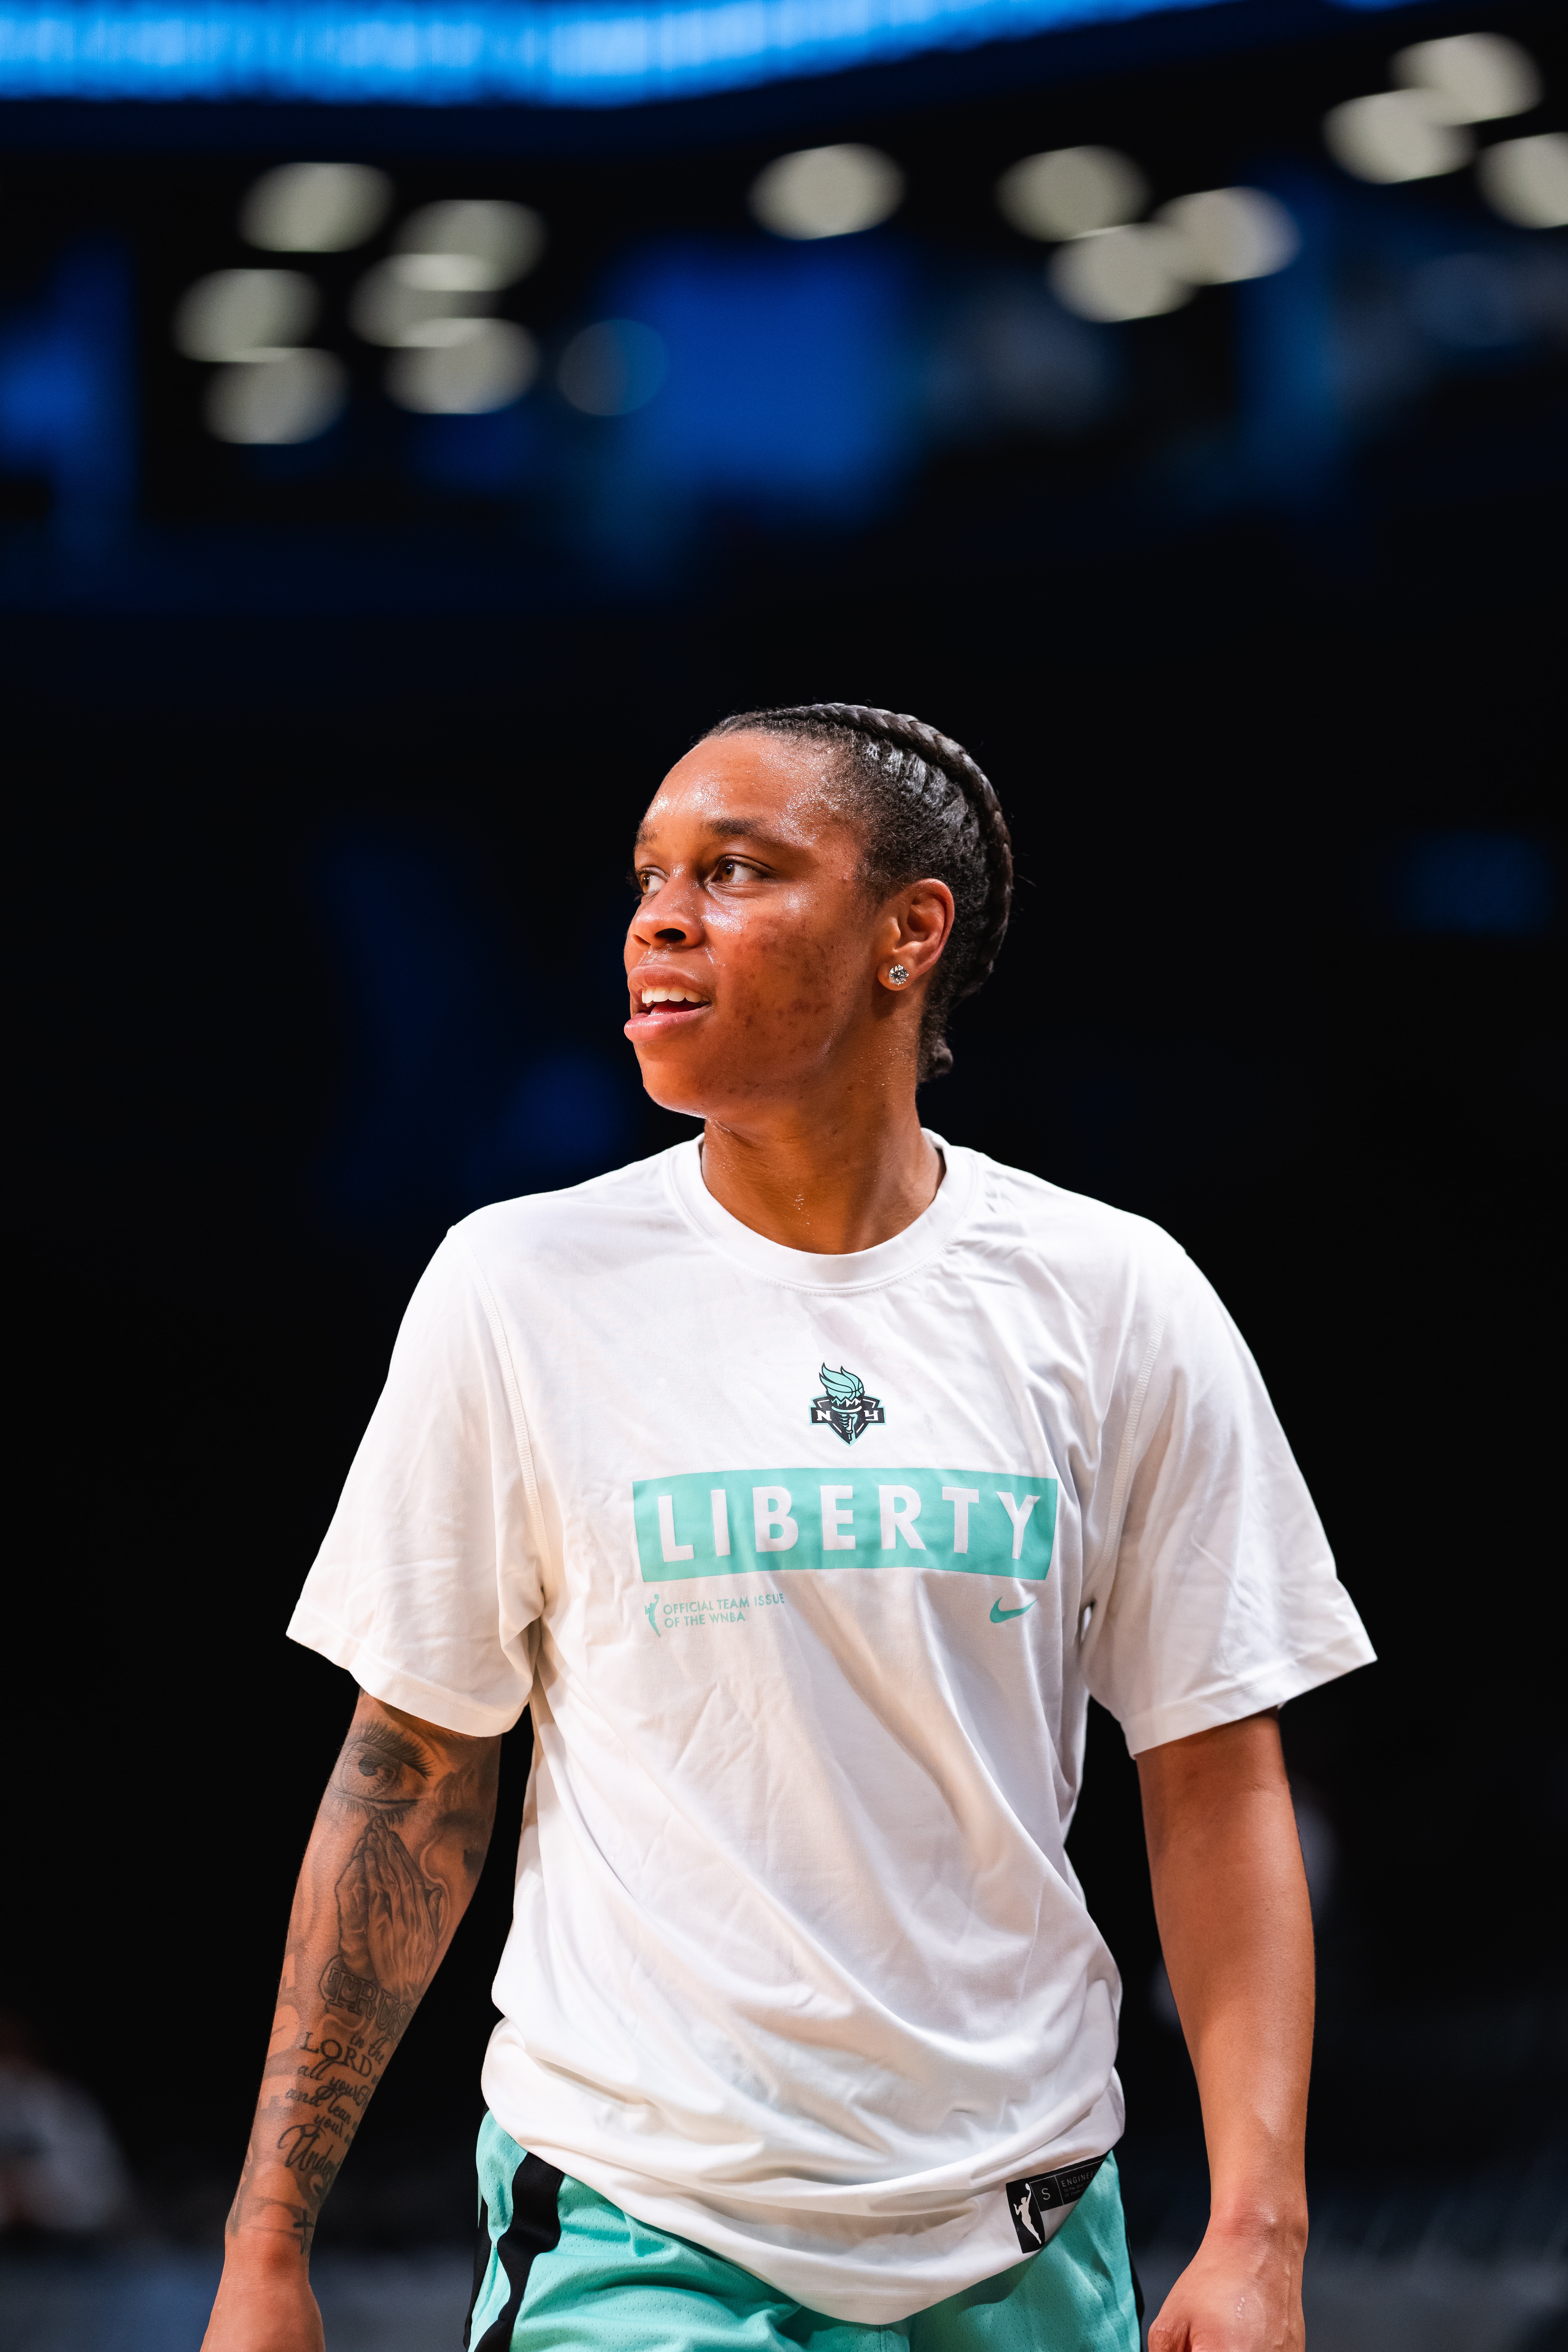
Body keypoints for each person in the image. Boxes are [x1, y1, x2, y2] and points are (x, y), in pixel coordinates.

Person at [201, 704, 1373, 2352]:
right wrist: (265, 2251)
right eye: (649, 877)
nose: (660, 917)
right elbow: (409, 1777)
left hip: (1023, 2224)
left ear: (910, 933)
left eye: (736, 871)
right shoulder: (519, 1285)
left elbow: (1213, 1781)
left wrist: (1257, 2229)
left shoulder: (1112, 1295)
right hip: (635, 2224)